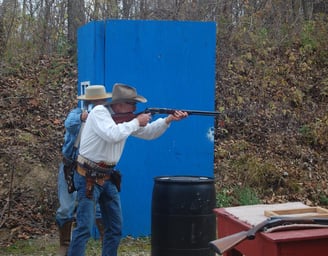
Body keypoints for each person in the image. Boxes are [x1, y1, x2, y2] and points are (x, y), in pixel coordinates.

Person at [68, 83, 188, 256]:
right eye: (132, 103)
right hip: (88, 177)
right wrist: (135, 121)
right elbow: (113, 134)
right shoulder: (99, 112)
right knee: (84, 229)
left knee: (115, 228)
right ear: (120, 104)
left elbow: (149, 133)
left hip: (108, 176)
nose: (135, 107)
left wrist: (169, 120)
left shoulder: (125, 120)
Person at [56, 85, 111, 255]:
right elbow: (70, 124)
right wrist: (83, 116)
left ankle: (106, 245)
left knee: (100, 209)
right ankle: (65, 244)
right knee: (66, 208)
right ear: (88, 102)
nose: (98, 104)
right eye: (96, 102)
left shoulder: (107, 117)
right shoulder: (77, 114)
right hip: (71, 166)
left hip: (92, 169)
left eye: (101, 102)